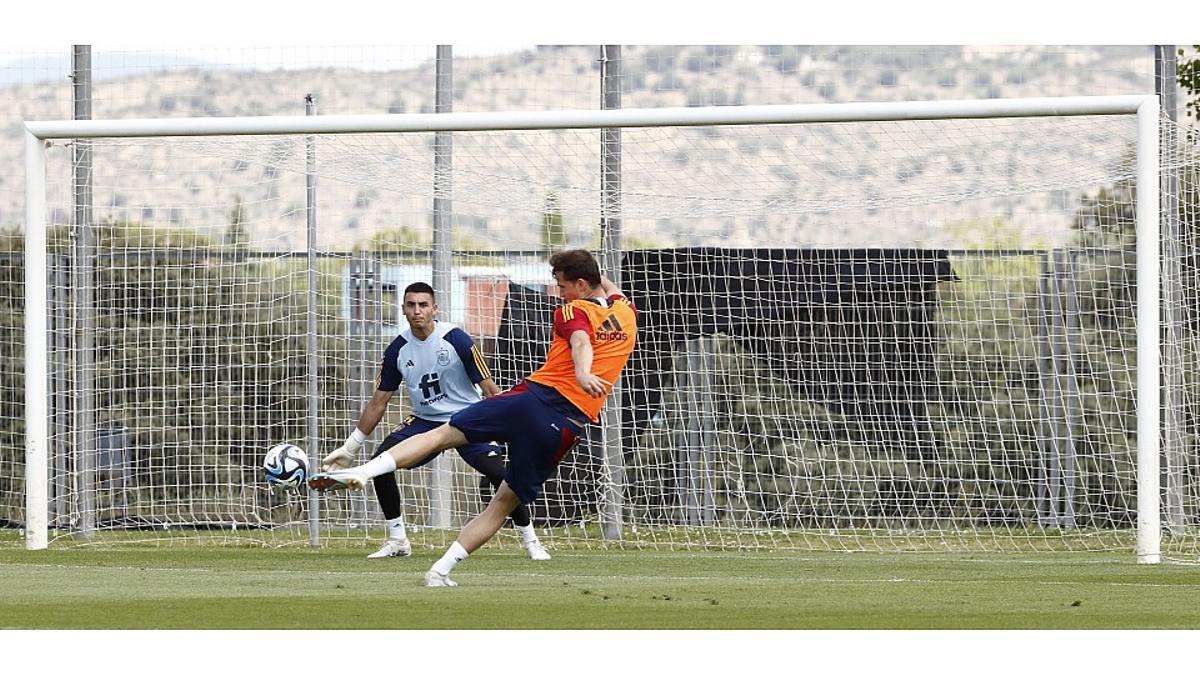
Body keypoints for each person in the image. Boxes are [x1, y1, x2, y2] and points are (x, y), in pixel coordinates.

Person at [310, 249, 637, 586]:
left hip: (531, 399)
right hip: (566, 423)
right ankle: (439, 571)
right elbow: (606, 290)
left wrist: (582, 372)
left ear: (581, 285)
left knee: (442, 434)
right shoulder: (627, 311)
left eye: (562, 284)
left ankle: (364, 471)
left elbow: (581, 341)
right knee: (502, 503)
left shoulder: (572, 309)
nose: (559, 292)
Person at [324, 281, 550, 561]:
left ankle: (531, 540)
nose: (417, 310)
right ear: (403, 309)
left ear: (435, 308)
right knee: (379, 464)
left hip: (467, 417)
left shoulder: (457, 339)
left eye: (423, 305)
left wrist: (509, 426)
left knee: (499, 474)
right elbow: (377, 403)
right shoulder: (397, 350)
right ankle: (398, 541)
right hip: (424, 421)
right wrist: (350, 448)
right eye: (411, 305)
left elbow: (491, 390)